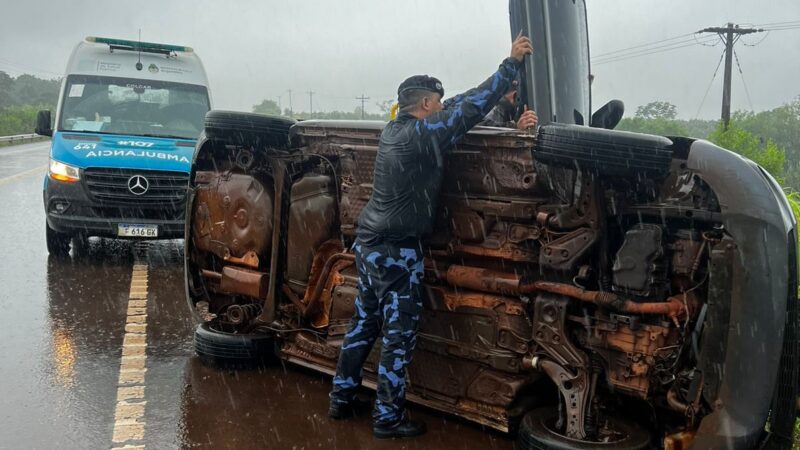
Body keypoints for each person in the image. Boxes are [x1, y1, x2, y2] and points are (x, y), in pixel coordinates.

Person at [328, 32, 534, 439]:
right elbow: (469, 109)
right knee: (399, 336)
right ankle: (387, 418)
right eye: (436, 102)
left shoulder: (394, 130)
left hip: (370, 246)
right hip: (397, 252)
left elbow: (456, 105)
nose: (441, 106)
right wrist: (508, 66)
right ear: (425, 105)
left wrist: (475, 96)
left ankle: (341, 397)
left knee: (364, 325)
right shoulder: (423, 136)